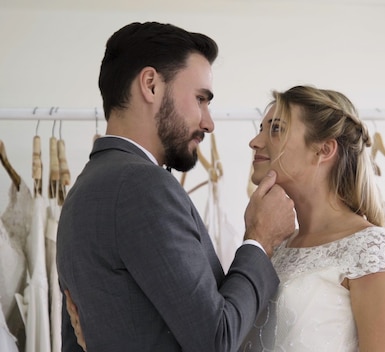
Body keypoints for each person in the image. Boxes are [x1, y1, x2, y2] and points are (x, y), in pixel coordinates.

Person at [56, 21, 296, 352]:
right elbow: (217, 340)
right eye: (201, 99)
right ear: (151, 85)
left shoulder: (85, 189)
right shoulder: (141, 186)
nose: (208, 122)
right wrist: (260, 240)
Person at [239, 85, 385, 351]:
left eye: (275, 129)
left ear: (324, 149)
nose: (255, 141)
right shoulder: (276, 246)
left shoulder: (370, 247)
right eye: (260, 128)